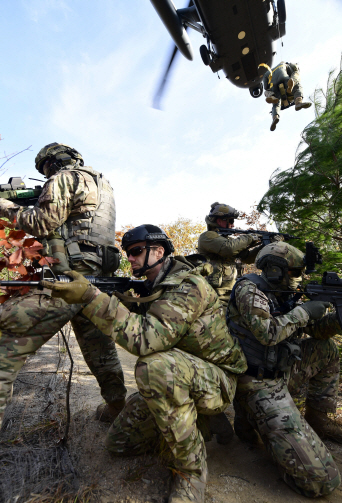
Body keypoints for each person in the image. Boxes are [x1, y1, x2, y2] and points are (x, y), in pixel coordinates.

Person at [41, 224, 248, 503]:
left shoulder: (188, 286)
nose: (131, 259)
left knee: (154, 367)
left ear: (159, 251)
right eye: (128, 253)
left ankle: (192, 472)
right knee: (118, 444)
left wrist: (91, 297)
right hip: (187, 373)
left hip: (217, 379)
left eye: (137, 251)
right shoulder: (153, 285)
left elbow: (146, 339)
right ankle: (199, 421)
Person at [0, 143, 126, 428]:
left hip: (68, 282)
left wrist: (6, 207)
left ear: (53, 163)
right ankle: (118, 407)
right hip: (94, 282)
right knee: (101, 351)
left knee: (5, 351)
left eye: (45, 169)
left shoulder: (64, 178)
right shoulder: (102, 183)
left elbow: (42, 222)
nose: (45, 176)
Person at [226, 241, 342, 497]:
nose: (299, 278)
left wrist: (338, 318)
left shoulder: (284, 291)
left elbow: (314, 331)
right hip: (256, 382)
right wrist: (303, 312)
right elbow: (267, 333)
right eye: (294, 272)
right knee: (322, 482)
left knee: (326, 349)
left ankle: (317, 419)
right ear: (274, 269)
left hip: (282, 371)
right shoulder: (250, 289)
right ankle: (251, 419)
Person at [197, 202, 261, 307]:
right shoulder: (207, 237)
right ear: (219, 220)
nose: (233, 225)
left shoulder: (229, 241)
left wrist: (266, 244)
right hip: (211, 296)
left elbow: (248, 258)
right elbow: (228, 249)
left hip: (230, 295)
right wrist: (250, 238)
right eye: (231, 221)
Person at [259, 62, 312, 131]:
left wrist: (270, 89)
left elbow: (265, 87)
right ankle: (298, 101)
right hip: (284, 77)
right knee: (297, 86)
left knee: (274, 101)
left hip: (273, 84)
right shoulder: (284, 64)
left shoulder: (266, 73)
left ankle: (275, 116)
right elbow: (293, 70)